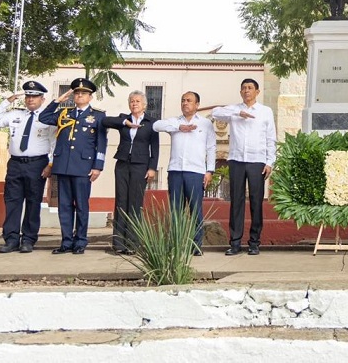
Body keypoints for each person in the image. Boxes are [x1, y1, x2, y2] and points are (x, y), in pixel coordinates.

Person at [39, 78, 107, 254]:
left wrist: (98, 166)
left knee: (82, 206)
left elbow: (101, 143)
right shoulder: (64, 113)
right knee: (64, 206)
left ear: (90, 97)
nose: (79, 96)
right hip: (63, 165)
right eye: (77, 93)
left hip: (84, 167)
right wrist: (57, 102)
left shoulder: (98, 116)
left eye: (83, 93)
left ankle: (80, 241)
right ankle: (66, 241)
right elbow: (43, 117)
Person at [211, 79, 276, 256]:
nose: (247, 91)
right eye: (244, 89)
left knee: (256, 202)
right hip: (236, 160)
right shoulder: (233, 110)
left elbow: (271, 138)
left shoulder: (265, 112)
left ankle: (254, 242)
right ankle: (235, 243)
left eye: (250, 88)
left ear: (257, 92)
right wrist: (238, 113)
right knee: (236, 202)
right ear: (240, 92)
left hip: (257, 161)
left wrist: (270, 162)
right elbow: (215, 113)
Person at [0, 80, 55, 253]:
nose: (30, 100)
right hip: (16, 163)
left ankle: (28, 239)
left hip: (37, 163)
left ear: (42, 99)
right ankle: (11, 239)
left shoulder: (48, 118)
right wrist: (7, 102)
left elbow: (54, 143)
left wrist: (50, 164)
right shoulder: (15, 114)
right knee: (12, 202)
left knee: (33, 202)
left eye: (34, 97)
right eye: (28, 96)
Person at [154, 91, 217, 255]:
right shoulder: (174, 121)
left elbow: (211, 148)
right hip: (175, 171)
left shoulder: (205, 124)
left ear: (197, 105)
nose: (185, 103)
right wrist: (178, 127)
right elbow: (156, 126)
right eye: (183, 100)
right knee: (176, 210)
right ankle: (177, 243)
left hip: (196, 172)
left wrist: (209, 170)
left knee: (196, 210)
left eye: (189, 100)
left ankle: (196, 245)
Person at [103, 90, 159, 254]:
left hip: (140, 165)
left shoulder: (151, 122)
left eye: (137, 101)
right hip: (122, 163)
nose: (134, 104)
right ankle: (119, 243)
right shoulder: (123, 119)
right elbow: (105, 121)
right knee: (121, 201)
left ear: (144, 105)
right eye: (132, 101)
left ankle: (133, 244)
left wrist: (152, 167)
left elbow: (154, 147)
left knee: (135, 202)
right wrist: (124, 123)